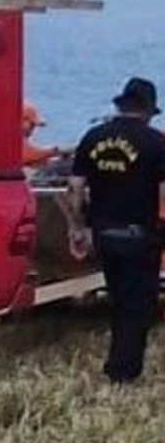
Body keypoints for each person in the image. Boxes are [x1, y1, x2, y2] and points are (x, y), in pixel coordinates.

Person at [68, 77, 165, 384]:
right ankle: (123, 372)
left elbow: (75, 188)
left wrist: (77, 228)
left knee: (119, 299)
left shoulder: (93, 137)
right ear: (148, 110)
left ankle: (118, 366)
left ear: (122, 105)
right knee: (138, 306)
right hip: (140, 234)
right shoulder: (156, 143)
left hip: (104, 233)